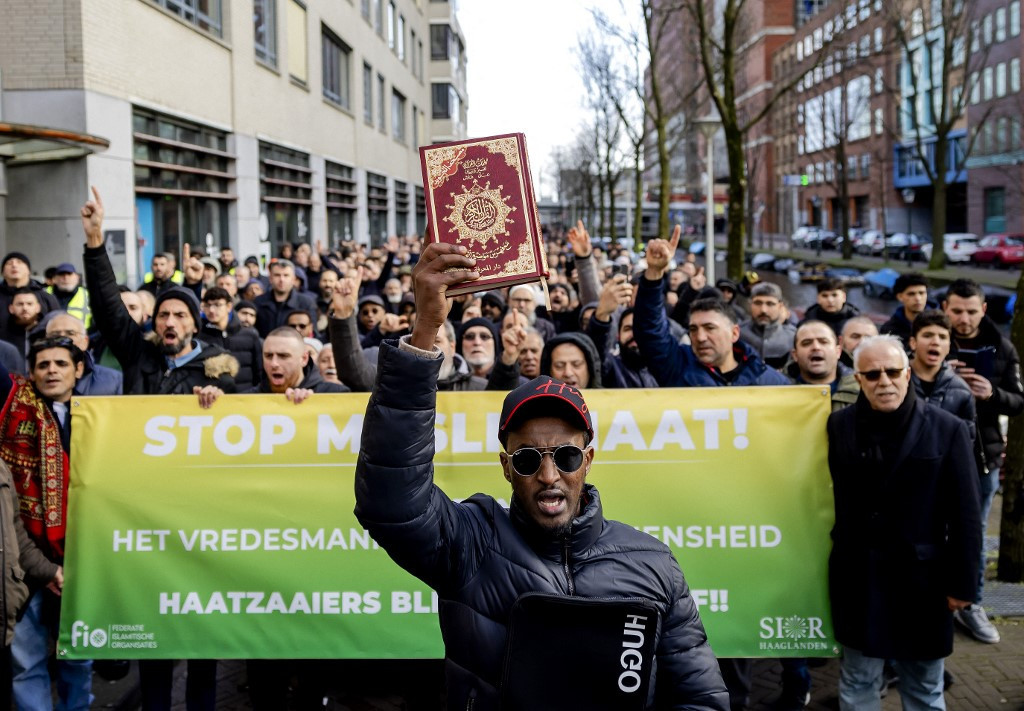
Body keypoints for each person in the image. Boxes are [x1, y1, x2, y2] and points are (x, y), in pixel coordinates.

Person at [352, 241, 729, 711]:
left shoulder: (654, 565)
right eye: (529, 459)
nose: (549, 475)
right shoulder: (471, 544)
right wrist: (427, 329)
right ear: (506, 466)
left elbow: (700, 697)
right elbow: (390, 503)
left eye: (566, 457)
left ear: (587, 460)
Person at [827, 335, 980, 710]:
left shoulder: (948, 428)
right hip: (859, 578)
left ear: (907, 373)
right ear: (859, 379)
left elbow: (967, 516)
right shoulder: (838, 426)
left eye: (893, 372)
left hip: (924, 583)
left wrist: (964, 585)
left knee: (924, 686)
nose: (885, 381)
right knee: (857, 681)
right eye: (873, 374)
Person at [0, 336, 92, 710]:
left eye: (61, 363)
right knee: (27, 663)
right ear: (31, 373)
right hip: (24, 559)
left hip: (83, 558)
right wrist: (42, 566)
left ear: (79, 370)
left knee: (79, 657)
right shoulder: (14, 410)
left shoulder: (104, 418)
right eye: (42, 365)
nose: (51, 370)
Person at [82, 188, 239, 396]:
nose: (170, 322)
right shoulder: (137, 353)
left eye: (180, 315)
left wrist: (219, 402)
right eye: (163, 315)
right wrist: (94, 240)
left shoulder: (217, 375)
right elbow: (108, 306)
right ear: (154, 323)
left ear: (195, 326)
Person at [942, 279, 1023, 643]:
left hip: (981, 456)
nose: (963, 319)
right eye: (956, 311)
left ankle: (972, 603)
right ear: (945, 307)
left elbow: (1019, 402)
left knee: (972, 533)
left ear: (984, 309)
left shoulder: (1002, 347)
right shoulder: (932, 340)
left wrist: (991, 394)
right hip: (935, 452)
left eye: (971, 311)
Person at [634, 228, 788, 388]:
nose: (700, 337)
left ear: (734, 333)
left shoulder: (769, 382)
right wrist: (654, 273)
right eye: (693, 329)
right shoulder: (678, 367)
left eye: (710, 328)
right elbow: (650, 330)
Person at [196, 287, 263, 390]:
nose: (211, 310)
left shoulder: (250, 336)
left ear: (229, 306)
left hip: (246, 398)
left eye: (217, 305)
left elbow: (259, 372)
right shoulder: (198, 338)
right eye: (208, 305)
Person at [783, 320, 859, 410]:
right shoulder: (779, 390)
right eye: (806, 343)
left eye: (823, 342)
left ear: (838, 351)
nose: (816, 347)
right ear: (795, 355)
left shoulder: (861, 389)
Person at [45, 312, 123, 395]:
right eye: (55, 334)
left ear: (85, 341)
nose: (63, 338)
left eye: (70, 333)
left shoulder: (115, 380)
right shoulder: (33, 381)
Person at [253, 259, 318, 338]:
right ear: (270, 278)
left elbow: (312, 332)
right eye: (277, 275)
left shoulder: (306, 303)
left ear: (293, 279)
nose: (281, 280)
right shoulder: (258, 302)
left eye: (286, 275)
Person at [739, 282, 795, 369]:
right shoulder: (737, 334)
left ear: (780, 306)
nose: (763, 310)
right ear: (750, 305)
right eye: (758, 303)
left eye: (770, 304)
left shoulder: (793, 337)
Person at [0, 252, 59, 333]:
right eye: (9, 263)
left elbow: (57, 325)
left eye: (19, 262)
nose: (14, 265)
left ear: (28, 270)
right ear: (2, 272)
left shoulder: (45, 298)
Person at [880, 273, 930, 347]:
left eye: (922, 293)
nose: (918, 298)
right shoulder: (889, 330)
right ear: (900, 297)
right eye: (911, 294)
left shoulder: (939, 324)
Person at [47, 263, 91, 329]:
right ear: (54, 279)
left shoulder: (88, 295)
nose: (65, 278)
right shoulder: (44, 294)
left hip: (81, 337)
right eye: (61, 274)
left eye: (69, 274)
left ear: (77, 278)